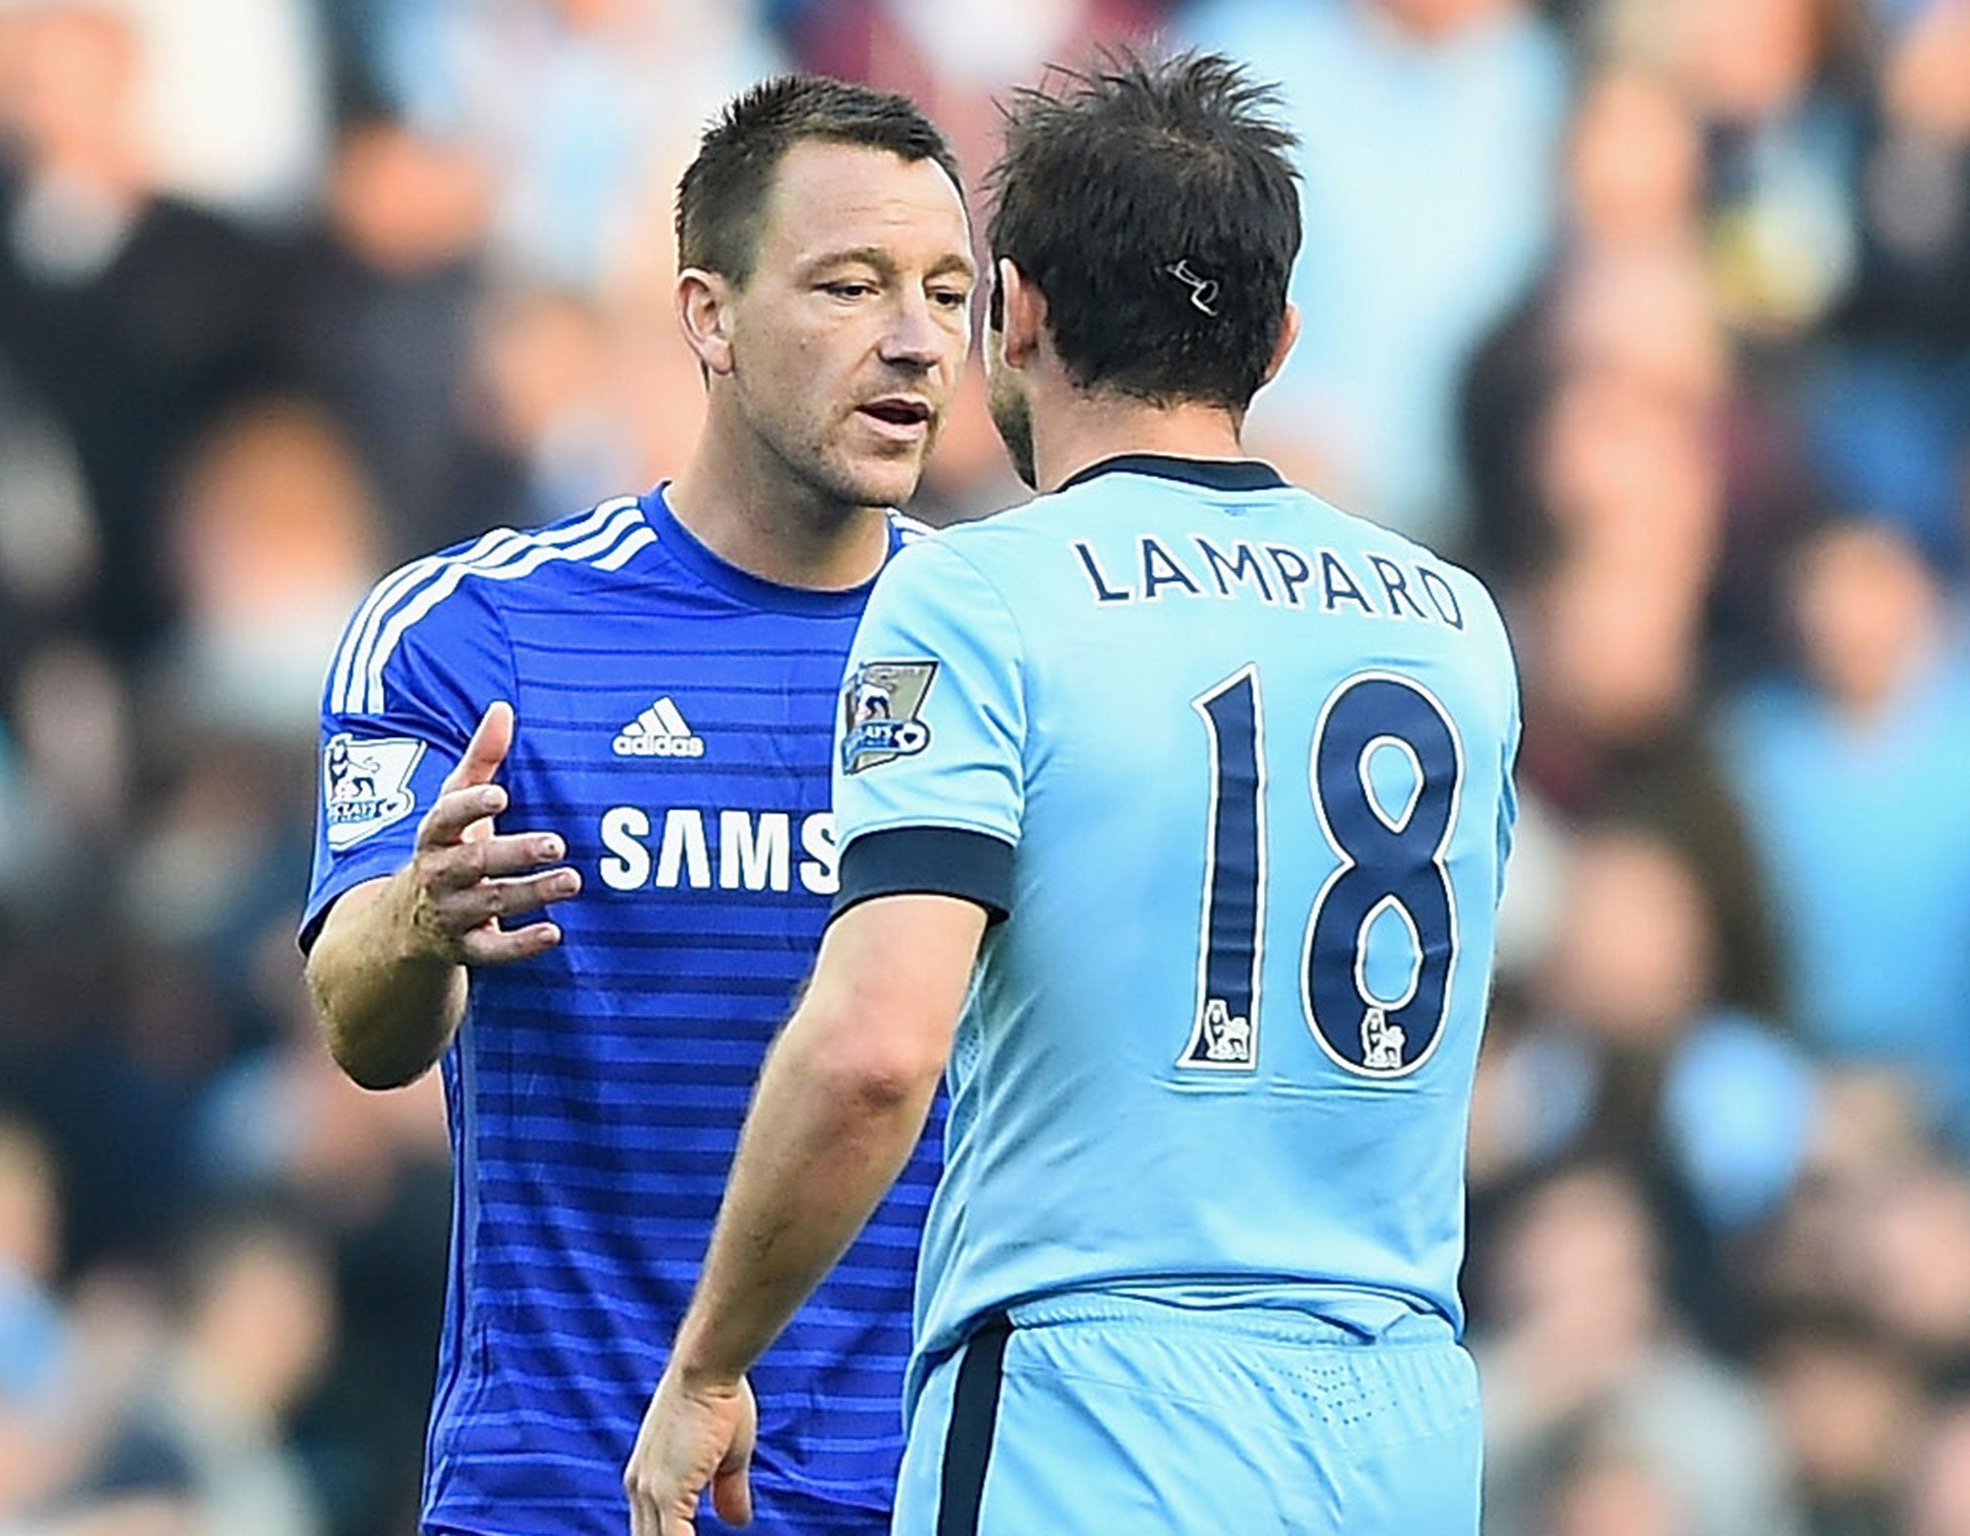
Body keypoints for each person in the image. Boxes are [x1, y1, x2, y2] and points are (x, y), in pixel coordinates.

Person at [627, 52, 1521, 1536]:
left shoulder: (979, 596)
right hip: (1406, 1418)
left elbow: (873, 1052)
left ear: (1016, 310)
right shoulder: (1454, 624)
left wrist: (713, 1361)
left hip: (1098, 1409)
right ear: (1279, 338)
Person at [299, 76, 976, 1536]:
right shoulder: (473, 631)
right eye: (850, 286)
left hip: (905, 1492)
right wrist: (420, 917)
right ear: (708, 316)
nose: (915, 338)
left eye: (948, 290)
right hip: (561, 1489)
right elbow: (362, 1029)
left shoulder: (1008, 647)